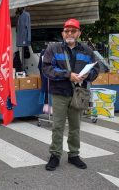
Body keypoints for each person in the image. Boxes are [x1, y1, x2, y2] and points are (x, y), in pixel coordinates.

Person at [42, 19, 99, 171]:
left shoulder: (87, 50)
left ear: (79, 33)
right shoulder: (53, 49)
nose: (70, 33)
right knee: (58, 126)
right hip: (60, 93)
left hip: (78, 93)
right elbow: (47, 69)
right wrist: (68, 75)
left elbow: (96, 69)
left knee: (75, 127)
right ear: (63, 33)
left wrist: (88, 75)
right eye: (67, 31)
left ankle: (74, 154)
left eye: (73, 31)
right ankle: (55, 155)